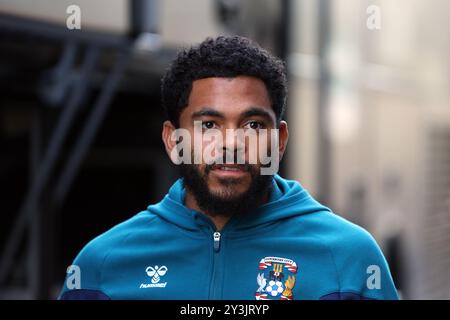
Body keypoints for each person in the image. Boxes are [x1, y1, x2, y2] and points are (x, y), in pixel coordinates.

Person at [59, 36, 398, 300]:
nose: (232, 143)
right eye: (208, 125)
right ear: (173, 140)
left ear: (279, 140)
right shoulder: (101, 265)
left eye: (252, 125)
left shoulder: (350, 258)